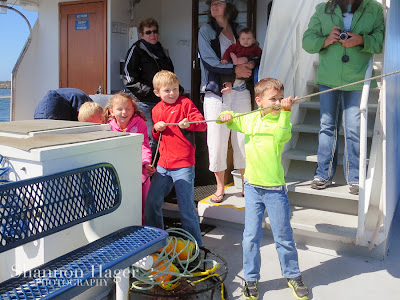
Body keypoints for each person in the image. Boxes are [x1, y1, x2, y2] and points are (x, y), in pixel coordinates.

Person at [218, 78, 309, 300]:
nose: (278, 102)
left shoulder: (281, 120)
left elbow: (282, 136)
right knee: (250, 236)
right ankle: (251, 278)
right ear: (259, 101)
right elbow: (226, 121)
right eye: (273, 99)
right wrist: (225, 116)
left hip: (275, 190)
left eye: (280, 98)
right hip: (252, 187)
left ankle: (292, 274)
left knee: (283, 236)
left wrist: (286, 112)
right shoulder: (249, 120)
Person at [302, 0, 384, 195]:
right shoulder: (322, 8)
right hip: (328, 77)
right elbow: (307, 41)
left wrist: (362, 40)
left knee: (353, 128)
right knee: (327, 126)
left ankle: (355, 178)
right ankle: (323, 174)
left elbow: (379, 40)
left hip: (357, 78)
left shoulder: (374, 8)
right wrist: (326, 40)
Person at [198, 0, 255, 203]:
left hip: (241, 91)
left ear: (228, 6)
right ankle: (220, 187)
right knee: (217, 141)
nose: (214, 6)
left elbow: (253, 51)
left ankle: (245, 185)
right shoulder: (205, 31)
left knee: (243, 139)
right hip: (216, 93)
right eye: (211, 3)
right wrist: (234, 69)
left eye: (219, 2)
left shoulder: (240, 29)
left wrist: (249, 64)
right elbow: (208, 61)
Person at [144, 71, 207, 246]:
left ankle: (196, 247)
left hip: (184, 165)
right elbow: (156, 137)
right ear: (157, 93)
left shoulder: (185, 103)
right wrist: (156, 128)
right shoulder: (156, 110)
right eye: (167, 90)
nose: (172, 93)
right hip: (163, 165)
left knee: (186, 207)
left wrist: (190, 123)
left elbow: (202, 124)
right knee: (151, 203)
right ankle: (155, 241)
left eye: (175, 89)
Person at [123, 17, 175, 156]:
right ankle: (148, 173)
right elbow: (128, 79)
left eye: (155, 31)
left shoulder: (162, 50)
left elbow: (169, 74)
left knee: (165, 136)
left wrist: (174, 90)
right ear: (141, 35)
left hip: (163, 102)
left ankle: (161, 171)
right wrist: (148, 91)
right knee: (150, 138)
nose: (152, 35)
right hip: (145, 103)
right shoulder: (136, 50)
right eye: (148, 32)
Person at [104, 92, 155, 225]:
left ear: (133, 109)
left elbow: (144, 146)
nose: (124, 112)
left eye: (128, 108)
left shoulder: (140, 124)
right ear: (112, 111)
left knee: (144, 203)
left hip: (139, 171)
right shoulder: (108, 127)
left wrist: (146, 163)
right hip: (119, 172)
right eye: (119, 109)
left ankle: (145, 229)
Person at [220, 28, 262, 93]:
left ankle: (237, 61)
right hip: (236, 66)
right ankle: (228, 86)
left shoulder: (255, 48)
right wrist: (225, 59)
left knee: (246, 60)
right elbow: (228, 51)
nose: (245, 41)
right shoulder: (235, 46)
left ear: (253, 40)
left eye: (248, 39)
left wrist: (253, 63)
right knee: (228, 72)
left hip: (247, 68)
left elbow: (262, 56)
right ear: (239, 40)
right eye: (243, 39)